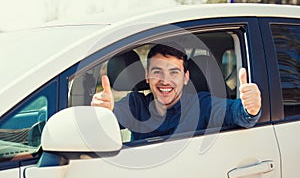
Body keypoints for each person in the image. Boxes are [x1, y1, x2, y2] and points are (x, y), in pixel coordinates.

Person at [91, 43, 261, 140]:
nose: (165, 80)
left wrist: (249, 109)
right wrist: (102, 113)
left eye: (174, 72)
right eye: (157, 71)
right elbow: (106, 122)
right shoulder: (135, 104)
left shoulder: (202, 104)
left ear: (186, 77)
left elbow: (236, 113)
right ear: (147, 76)